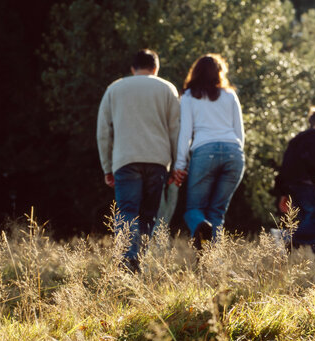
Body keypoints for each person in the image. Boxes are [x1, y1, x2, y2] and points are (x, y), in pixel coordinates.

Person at [96, 49, 180, 272]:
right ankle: (137, 260)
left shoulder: (115, 89)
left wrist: (107, 166)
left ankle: (126, 259)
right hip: (158, 161)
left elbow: (103, 132)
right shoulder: (167, 89)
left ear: (132, 69)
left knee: (127, 211)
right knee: (148, 214)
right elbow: (175, 131)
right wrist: (176, 165)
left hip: (125, 160)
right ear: (156, 68)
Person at [173, 54, 245, 250]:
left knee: (193, 210)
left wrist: (180, 165)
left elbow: (185, 133)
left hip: (204, 151)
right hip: (234, 153)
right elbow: (240, 132)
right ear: (220, 73)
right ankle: (212, 262)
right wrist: (238, 155)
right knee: (217, 212)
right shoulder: (230, 95)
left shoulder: (188, 97)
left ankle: (200, 227)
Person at [274, 109, 315, 266]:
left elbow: (285, 166)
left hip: (293, 186)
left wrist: (283, 193)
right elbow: (314, 164)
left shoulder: (298, 139)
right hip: (306, 185)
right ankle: (284, 237)